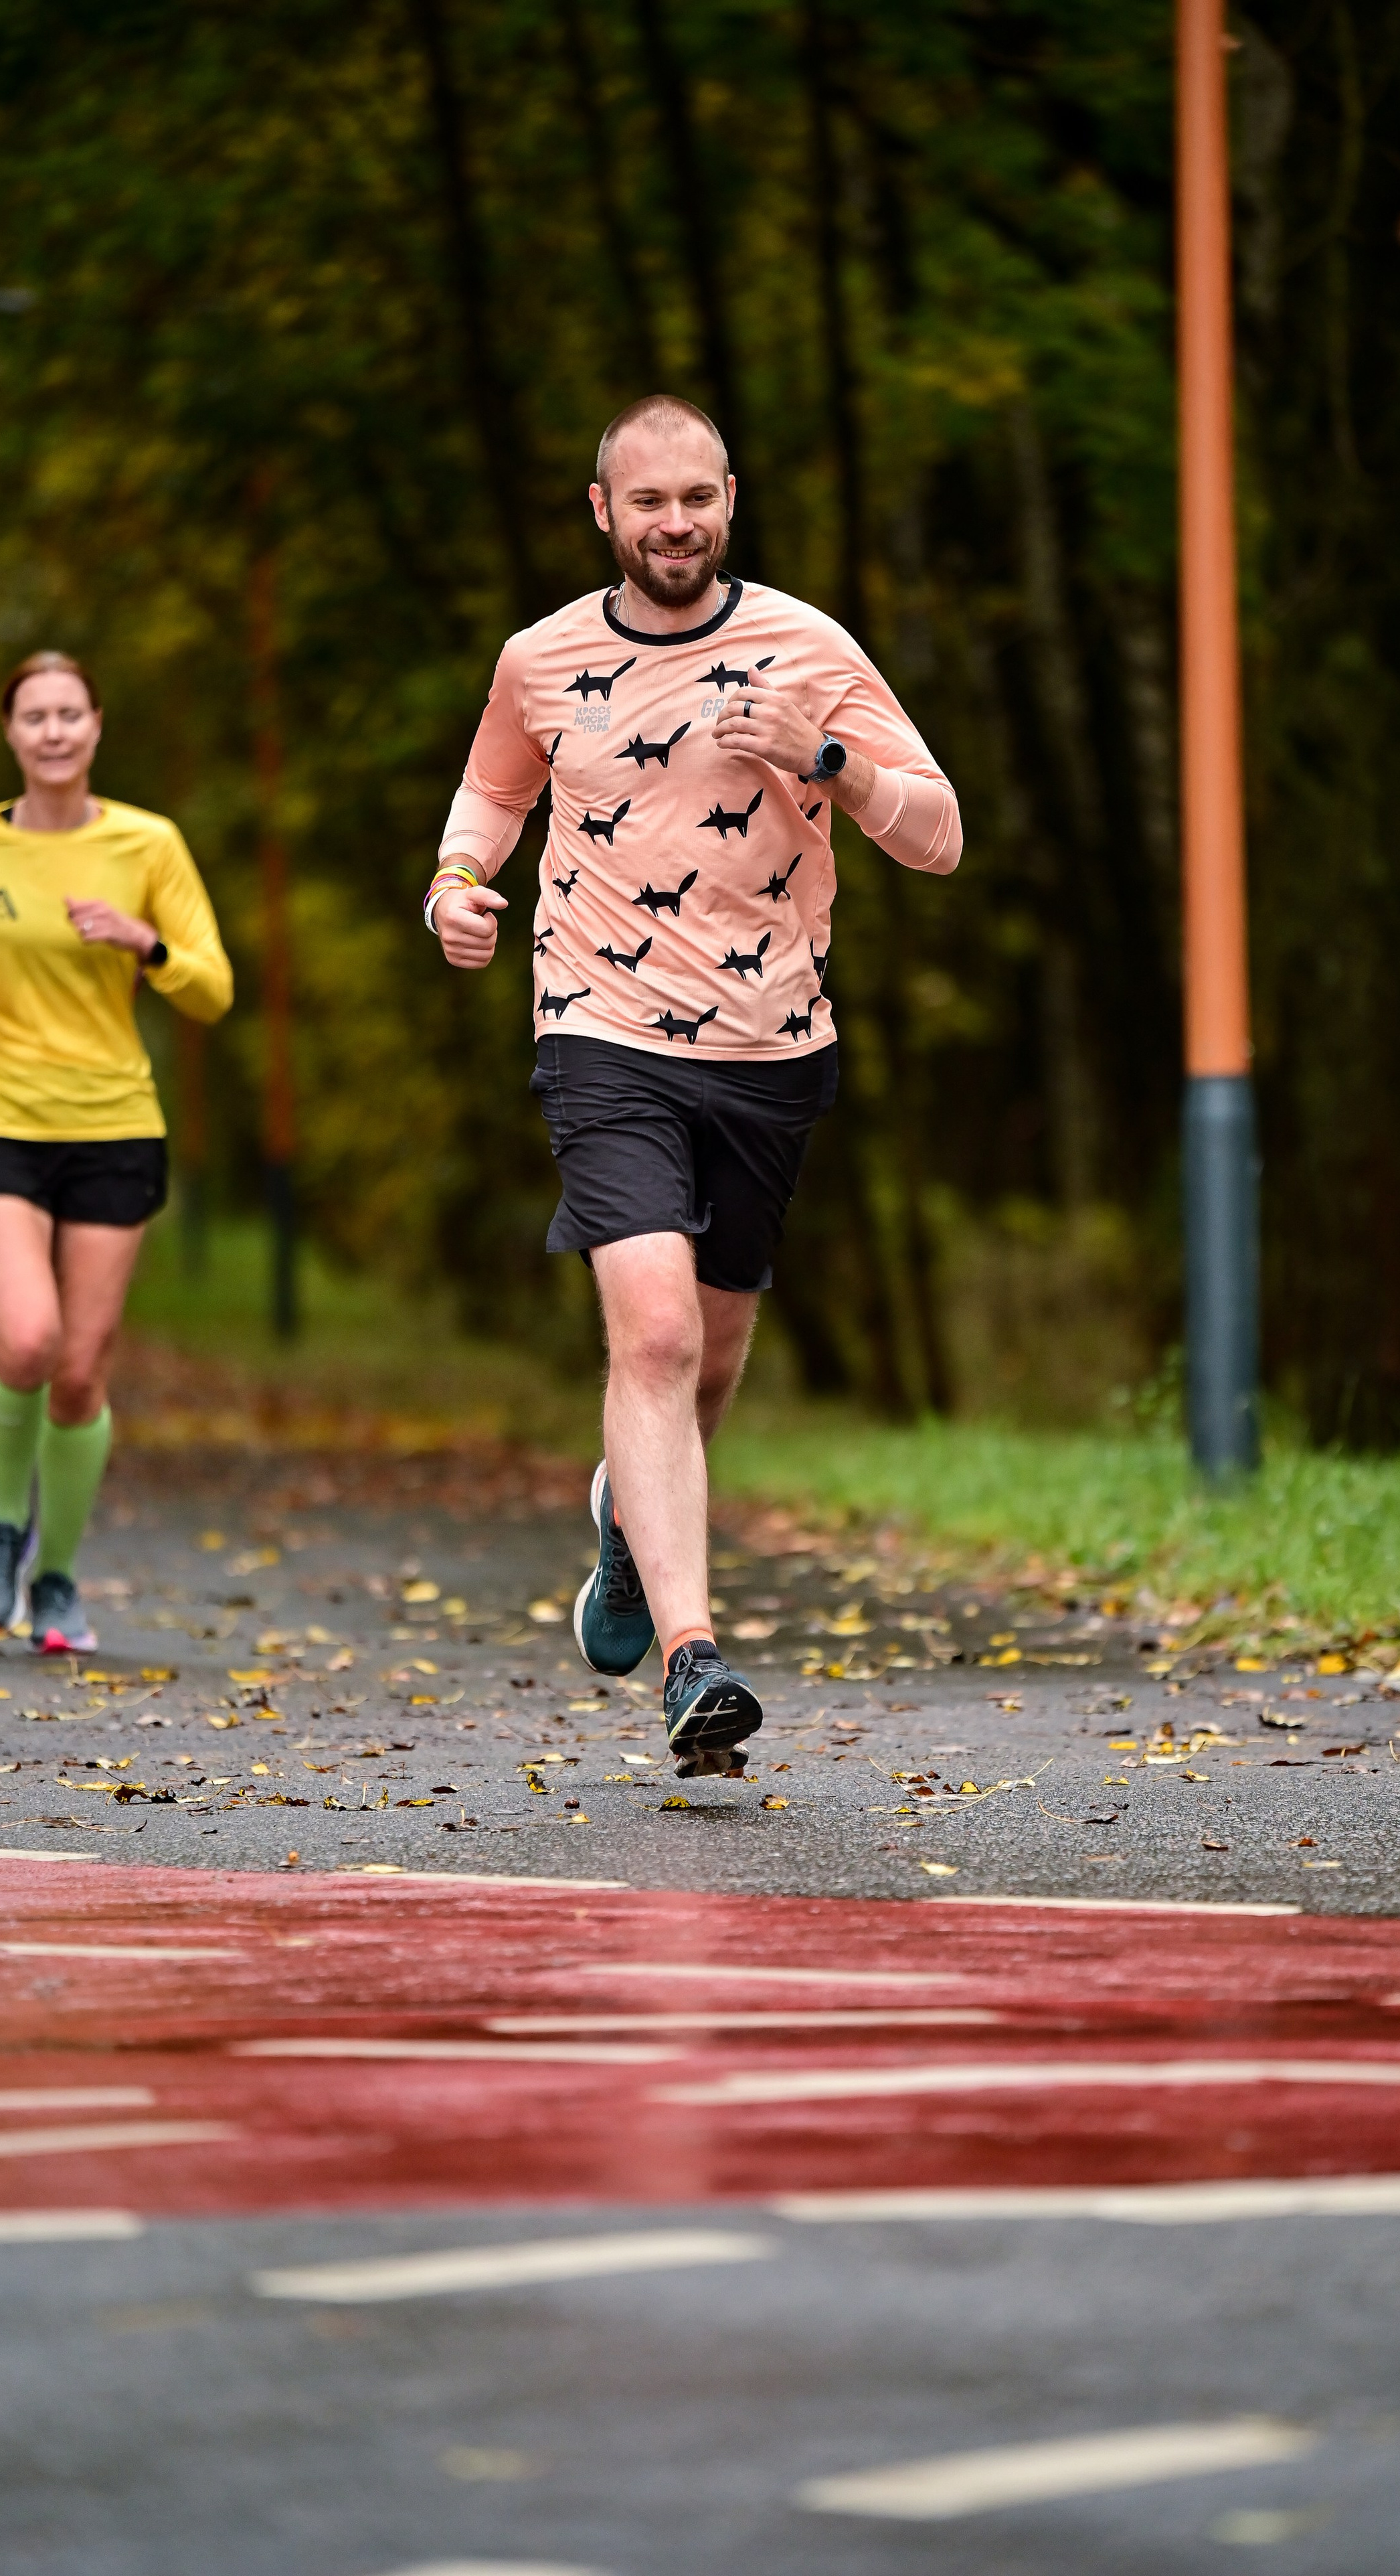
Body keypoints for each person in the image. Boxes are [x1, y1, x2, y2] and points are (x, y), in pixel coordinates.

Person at [429, 396, 960, 1775]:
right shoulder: (539, 658)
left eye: (696, 499)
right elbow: (491, 796)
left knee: (707, 1364)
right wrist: (454, 887)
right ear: (600, 512)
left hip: (769, 1046)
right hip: (598, 1028)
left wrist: (820, 756)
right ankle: (690, 1659)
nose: (674, 523)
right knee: (652, 1337)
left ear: (730, 497)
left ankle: (625, 1527)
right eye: (645, 501)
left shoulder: (805, 651)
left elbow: (940, 836)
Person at [0, 651, 233, 1653]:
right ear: (9, 733)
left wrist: (147, 944)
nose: (52, 731)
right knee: (28, 1342)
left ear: (97, 726)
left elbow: (211, 990)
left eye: (69, 714)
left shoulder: (150, 842)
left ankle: (55, 1579)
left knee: (83, 1375)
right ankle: (6, 1527)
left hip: (112, 1124)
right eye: (33, 716)